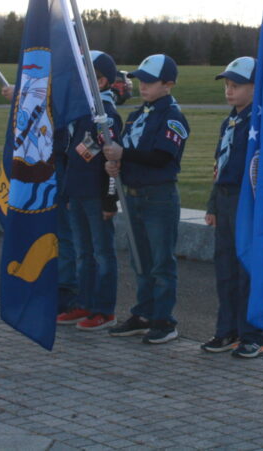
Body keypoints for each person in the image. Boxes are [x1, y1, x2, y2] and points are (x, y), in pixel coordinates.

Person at [102, 54, 189, 345]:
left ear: (169, 84)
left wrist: (124, 155)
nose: (143, 86)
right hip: (133, 195)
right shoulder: (138, 114)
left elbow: (162, 156)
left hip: (158, 196)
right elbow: (126, 148)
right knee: (141, 258)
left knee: (161, 261)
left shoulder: (172, 116)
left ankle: (164, 320)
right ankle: (143, 313)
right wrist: (116, 163)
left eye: (151, 81)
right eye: (141, 80)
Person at [201, 56, 263, 359]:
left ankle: (252, 334)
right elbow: (220, 165)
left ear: (257, 86)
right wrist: (213, 204)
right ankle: (227, 329)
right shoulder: (230, 122)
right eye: (227, 85)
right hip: (225, 198)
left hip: (247, 200)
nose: (230, 91)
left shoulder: (260, 123)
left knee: (246, 271)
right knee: (225, 268)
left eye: (237, 85)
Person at [56, 51, 124, 331]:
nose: (79, 80)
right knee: (83, 252)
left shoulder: (105, 116)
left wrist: (110, 201)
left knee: (102, 253)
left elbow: (109, 161)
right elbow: (73, 156)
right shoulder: (80, 111)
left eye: (87, 76)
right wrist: (69, 193)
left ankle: (104, 309)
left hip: (97, 195)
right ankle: (83, 302)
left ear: (103, 81)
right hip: (78, 193)